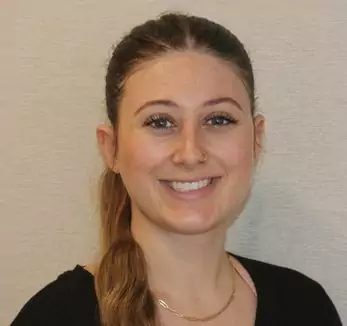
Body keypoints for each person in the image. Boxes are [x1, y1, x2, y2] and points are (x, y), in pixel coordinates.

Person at [11, 12, 342, 326]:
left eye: (218, 119)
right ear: (110, 148)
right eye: (160, 122)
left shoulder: (306, 306)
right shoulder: (53, 317)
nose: (190, 152)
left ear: (256, 140)